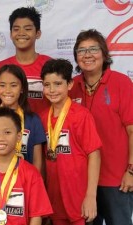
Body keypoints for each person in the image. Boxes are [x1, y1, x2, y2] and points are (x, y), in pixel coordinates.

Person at [69, 29, 133, 225]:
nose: (87, 55)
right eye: (81, 50)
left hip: (116, 180)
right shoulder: (71, 86)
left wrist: (131, 171)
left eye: (93, 49)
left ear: (104, 54)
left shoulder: (121, 82)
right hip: (82, 181)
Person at [40, 58, 101, 225]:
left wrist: (90, 196)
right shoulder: (42, 117)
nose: (52, 90)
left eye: (58, 84)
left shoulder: (81, 116)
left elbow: (94, 155)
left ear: (70, 85)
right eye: (47, 85)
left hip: (78, 198)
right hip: (54, 199)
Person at [0, 107, 53, 225]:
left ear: (19, 136)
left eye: (7, 132)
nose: (1, 138)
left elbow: (36, 217)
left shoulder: (31, 173)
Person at [0, 64, 46, 171]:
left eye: (13, 85)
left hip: (26, 183)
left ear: (22, 88)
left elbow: (37, 161)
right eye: (2, 85)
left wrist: (34, 184)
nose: (8, 90)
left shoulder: (33, 120)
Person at [0, 6, 50, 115]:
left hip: (46, 129)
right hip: (9, 129)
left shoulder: (50, 65)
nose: (21, 33)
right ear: (10, 34)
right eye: (16, 29)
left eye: (27, 29)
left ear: (38, 33)